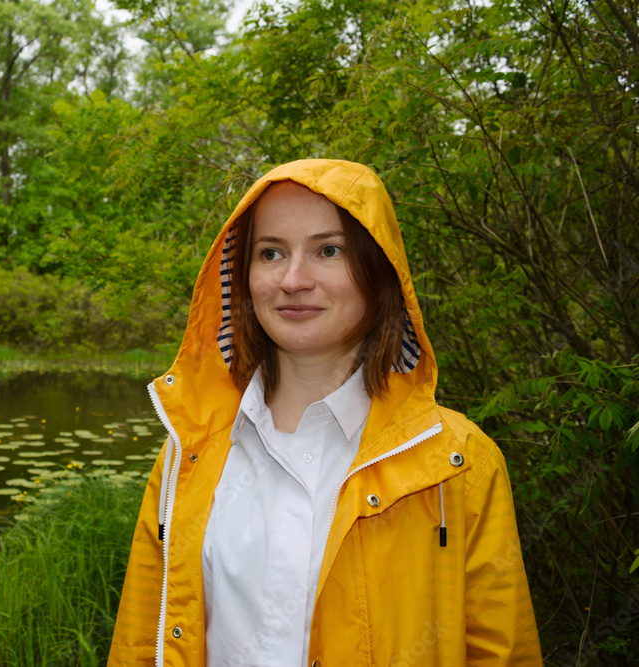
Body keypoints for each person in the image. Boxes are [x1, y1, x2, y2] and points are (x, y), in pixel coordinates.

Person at [109, 159, 542, 666]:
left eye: (328, 250)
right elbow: (141, 639)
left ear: (379, 270)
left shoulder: (458, 462)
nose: (293, 279)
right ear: (242, 277)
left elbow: (501, 651)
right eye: (270, 253)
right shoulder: (189, 453)